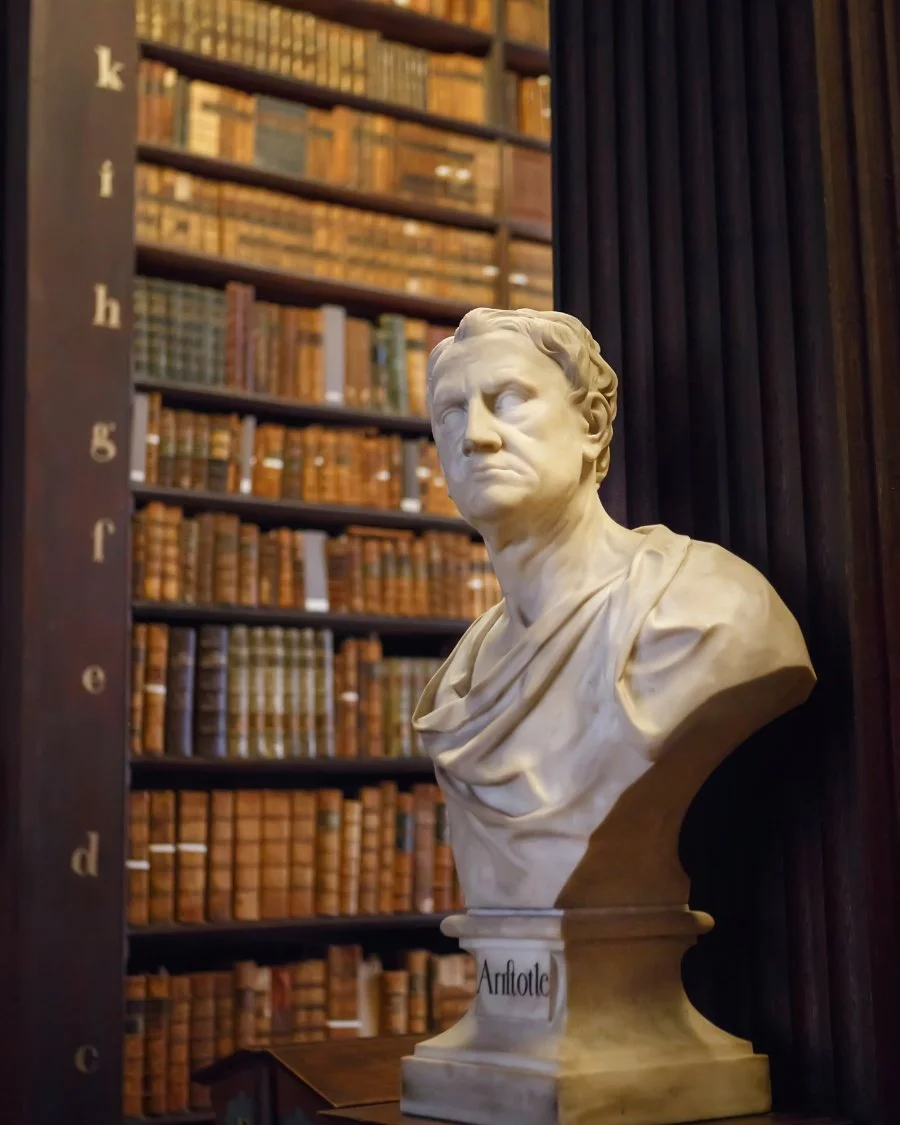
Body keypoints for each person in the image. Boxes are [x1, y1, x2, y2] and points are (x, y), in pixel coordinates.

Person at [413, 307, 816, 909]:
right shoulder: (465, 679)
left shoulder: (709, 611)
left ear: (593, 424)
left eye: (509, 400)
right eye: (452, 412)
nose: (477, 434)